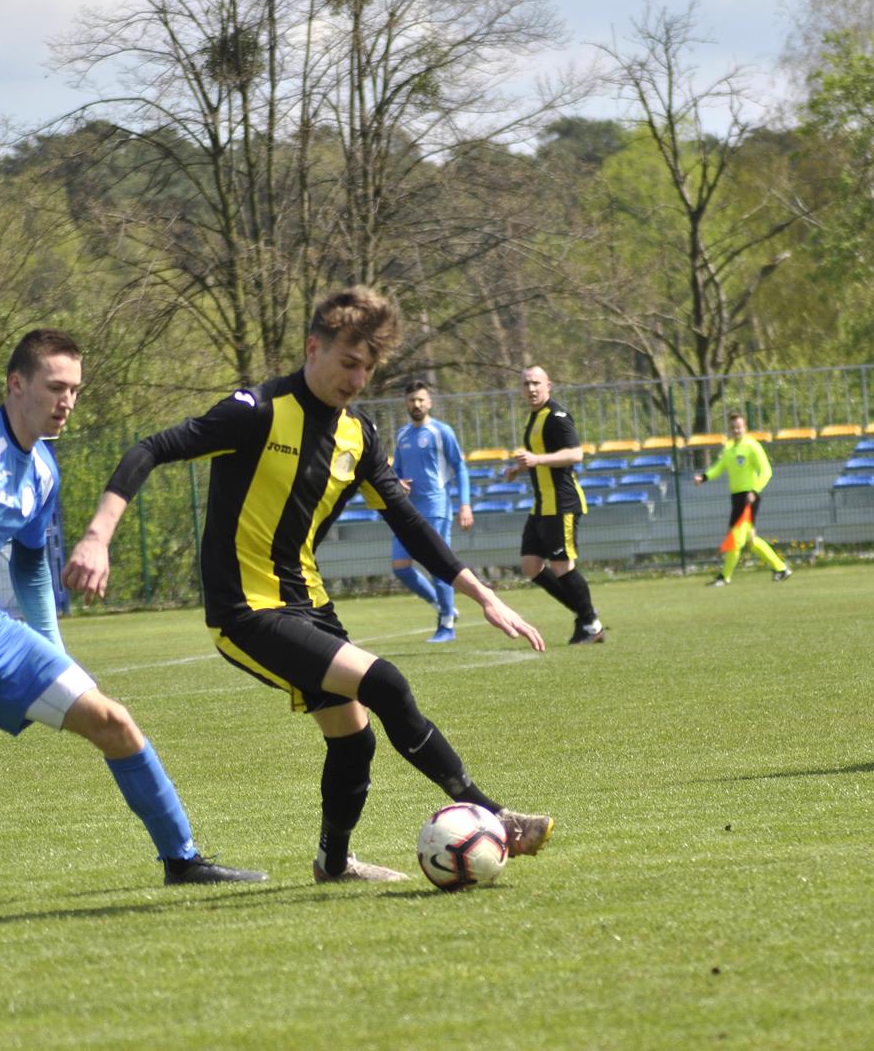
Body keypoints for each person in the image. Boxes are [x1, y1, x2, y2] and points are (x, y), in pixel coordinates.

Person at [63, 287, 555, 884]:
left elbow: (410, 523)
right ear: (313, 348)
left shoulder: (360, 437)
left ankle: (334, 863)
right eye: (349, 363)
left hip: (308, 605)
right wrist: (96, 535)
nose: (357, 379)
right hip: (245, 612)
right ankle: (496, 816)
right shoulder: (257, 411)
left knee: (354, 741)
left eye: (368, 369)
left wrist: (485, 596)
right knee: (388, 684)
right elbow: (152, 448)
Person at [0, 329, 265, 916]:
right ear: (17, 385)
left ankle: (182, 861)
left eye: (75, 390)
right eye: (55, 387)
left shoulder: (42, 470)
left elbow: (32, 567)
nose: (67, 401)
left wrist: (53, 650)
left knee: (114, 721)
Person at [503, 365, 604, 645]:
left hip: (561, 503)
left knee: (562, 566)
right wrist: (518, 469)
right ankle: (586, 614)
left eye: (536, 383)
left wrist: (536, 460)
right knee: (530, 565)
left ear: (549, 385)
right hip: (541, 506)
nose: (531, 388)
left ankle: (590, 622)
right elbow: (540, 456)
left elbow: (575, 454)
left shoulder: (557, 416)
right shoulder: (535, 417)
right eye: (526, 384)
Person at [391, 379, 473, 642]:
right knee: (400, 566)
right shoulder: (403, 435)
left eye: (421, 400)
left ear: (429, 402)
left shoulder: (441, 432)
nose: (416, 404)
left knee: (438, 566)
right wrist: (398, 483)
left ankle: (447, 625)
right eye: (412, 400)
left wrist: (465, 504)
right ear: (406, 403)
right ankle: (441, 606)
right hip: (407, 511)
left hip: (436, 506)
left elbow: (459, 467)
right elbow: (397, 472)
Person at [691, 410, 791, 586]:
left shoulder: (752, 446)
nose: (736, 430)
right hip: (736, 498)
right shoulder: (729, 448)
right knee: (750, 541)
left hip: (749, 498)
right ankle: (781, 568)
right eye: (733, 428)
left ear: (745, 427)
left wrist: (755, 490)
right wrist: (704, 477)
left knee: (736, 539)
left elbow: (766, 471)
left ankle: (724, 577)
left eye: (739, 427)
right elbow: (718, 467)